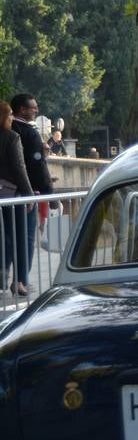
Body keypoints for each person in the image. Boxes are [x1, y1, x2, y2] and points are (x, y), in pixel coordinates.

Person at [10, 95, 51, 286]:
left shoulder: (7, 131)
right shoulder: (30, 133)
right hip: (26, 193)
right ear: (21, 109)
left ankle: (3, 279)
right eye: (33, 108)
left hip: (5, 193)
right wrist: (49, 194)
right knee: (26, 238)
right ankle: (21, 281)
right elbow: (37, 167)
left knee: (9, 237)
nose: (36, 110)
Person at [0, 103, 35, 296]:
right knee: (19, 238)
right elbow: (20, 170)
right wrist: (29, 195)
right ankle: (19, 281)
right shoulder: (12, 137)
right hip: (11, 195)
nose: (12, 118)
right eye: (10, 115)